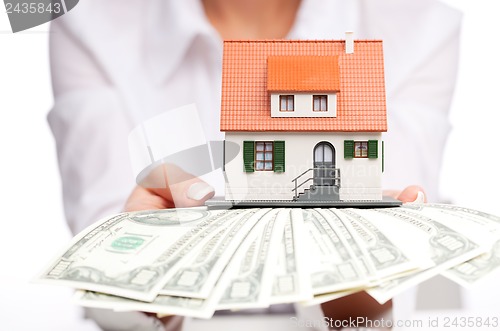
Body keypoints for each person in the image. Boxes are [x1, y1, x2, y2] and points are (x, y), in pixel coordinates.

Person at [48, 0, 461, 329]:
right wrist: (138, 271)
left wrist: (357, 272)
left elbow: (380, 305)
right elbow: (99, 263)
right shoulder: (85, 22)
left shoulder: (423, 27)